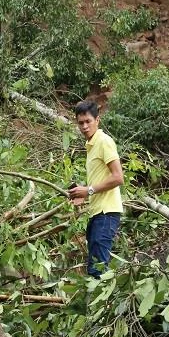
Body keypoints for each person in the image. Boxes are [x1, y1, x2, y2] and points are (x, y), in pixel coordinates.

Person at [68, 100, 124, 277]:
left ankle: (103, 295)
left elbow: (118, 177)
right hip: (98, 212)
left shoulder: (104, 142)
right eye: (81, 123)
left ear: (97, 120)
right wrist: (83, 194)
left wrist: (88, 190)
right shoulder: (91, 145)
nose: (84, 126)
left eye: (88, 121)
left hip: (106, 213)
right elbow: (100, 180)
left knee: (98, 268)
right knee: (94, 265)